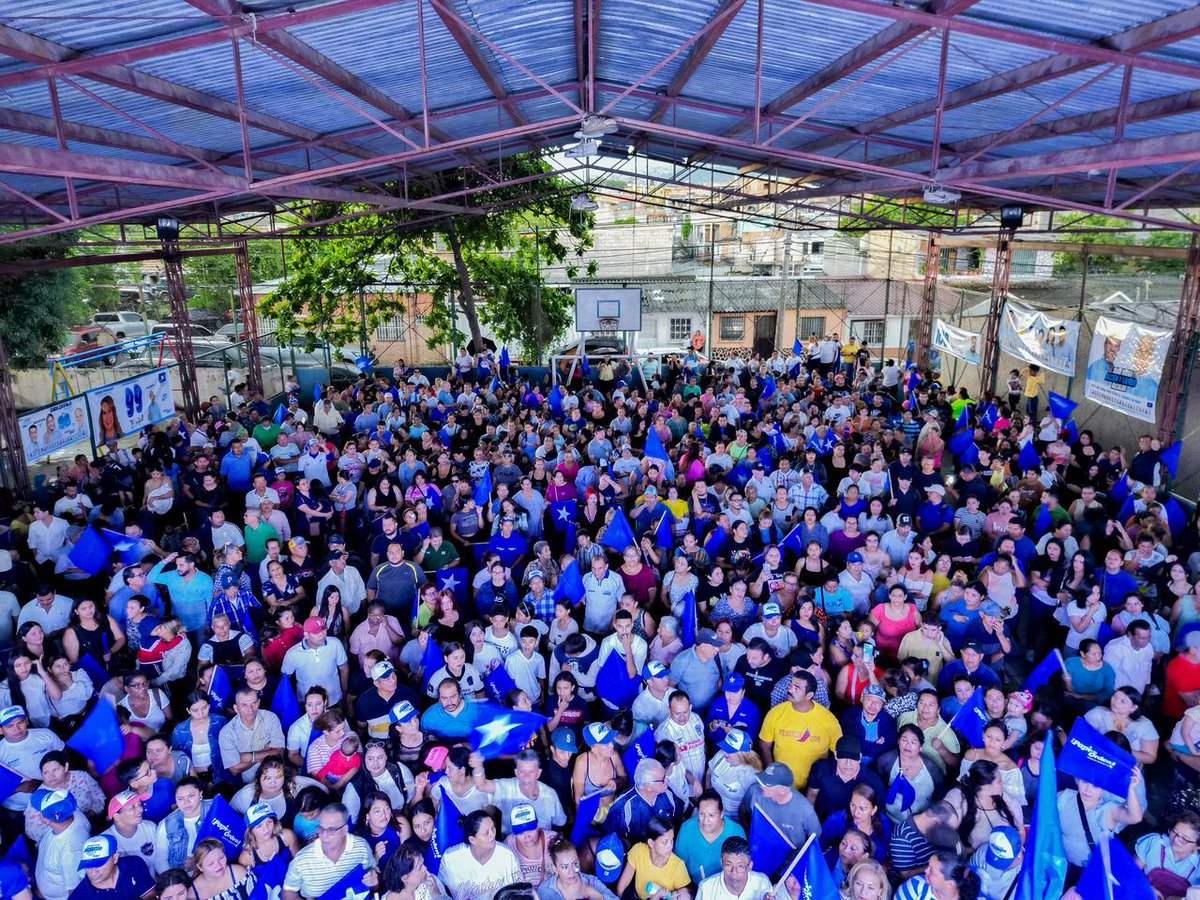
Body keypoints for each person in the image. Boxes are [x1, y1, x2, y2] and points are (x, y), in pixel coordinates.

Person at [282, 802, 378, 899]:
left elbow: (374, 878)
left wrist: (375, 879)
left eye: (331, 830)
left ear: (345, 830)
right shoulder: (302, 859)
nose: (324, 836)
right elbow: (289, 891)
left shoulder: (361, 847)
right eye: (321, 829)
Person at [440, 809, 522, 900]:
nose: (493, 835)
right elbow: (438, 891)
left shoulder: (507, 855)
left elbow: (518, 892)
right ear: (472, 840)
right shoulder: (450, 859)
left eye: (493, 828)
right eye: (486, 833)